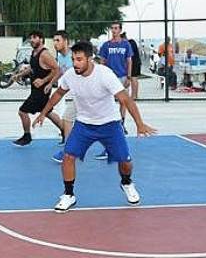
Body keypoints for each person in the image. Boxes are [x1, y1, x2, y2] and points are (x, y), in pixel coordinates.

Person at [33, 41, 157, 213]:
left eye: (79, 60)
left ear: (89, 59)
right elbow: (59, 93)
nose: (75, 63)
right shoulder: (70, 75)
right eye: (73, 59)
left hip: (110, 124)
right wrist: (43, 113)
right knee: (68, 156)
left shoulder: (104, 74)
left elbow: (125, 99)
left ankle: (127, 182)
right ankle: (69, 195)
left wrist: (139, 123)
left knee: (125, 161)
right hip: (84, 124)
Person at [12, 30, 63, 147]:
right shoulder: (34, 53)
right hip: (35, 89)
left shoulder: (45, 54)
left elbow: (57, 69)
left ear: (41, 39)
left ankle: (27, 136)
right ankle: (66, 131)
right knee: (48, 112)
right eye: (31, 38)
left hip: (42, 90)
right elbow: (32, 67)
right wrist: (19, 75)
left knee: (22, 111)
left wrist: (44, 81)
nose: (31, 40)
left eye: (34, 37)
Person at [51, 30, 78, 163]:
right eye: (54, 41)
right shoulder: (61, 56)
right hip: (78, 95)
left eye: (58, 40)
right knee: (68, 119)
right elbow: (61, 71)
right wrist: (51, 83)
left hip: (86, 94)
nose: (55, 44)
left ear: (65, 41)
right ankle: (68, 151)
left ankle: (113, 145)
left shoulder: (74, 55)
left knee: (98, 123)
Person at [124, 33, 142, 99]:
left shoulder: (129, 43)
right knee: (134, 78)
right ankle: (135, 95)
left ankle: (134, 96)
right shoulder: (132, 42)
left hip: (134, 62)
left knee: (133, 78)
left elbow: (128, 55)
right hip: (137, 62)